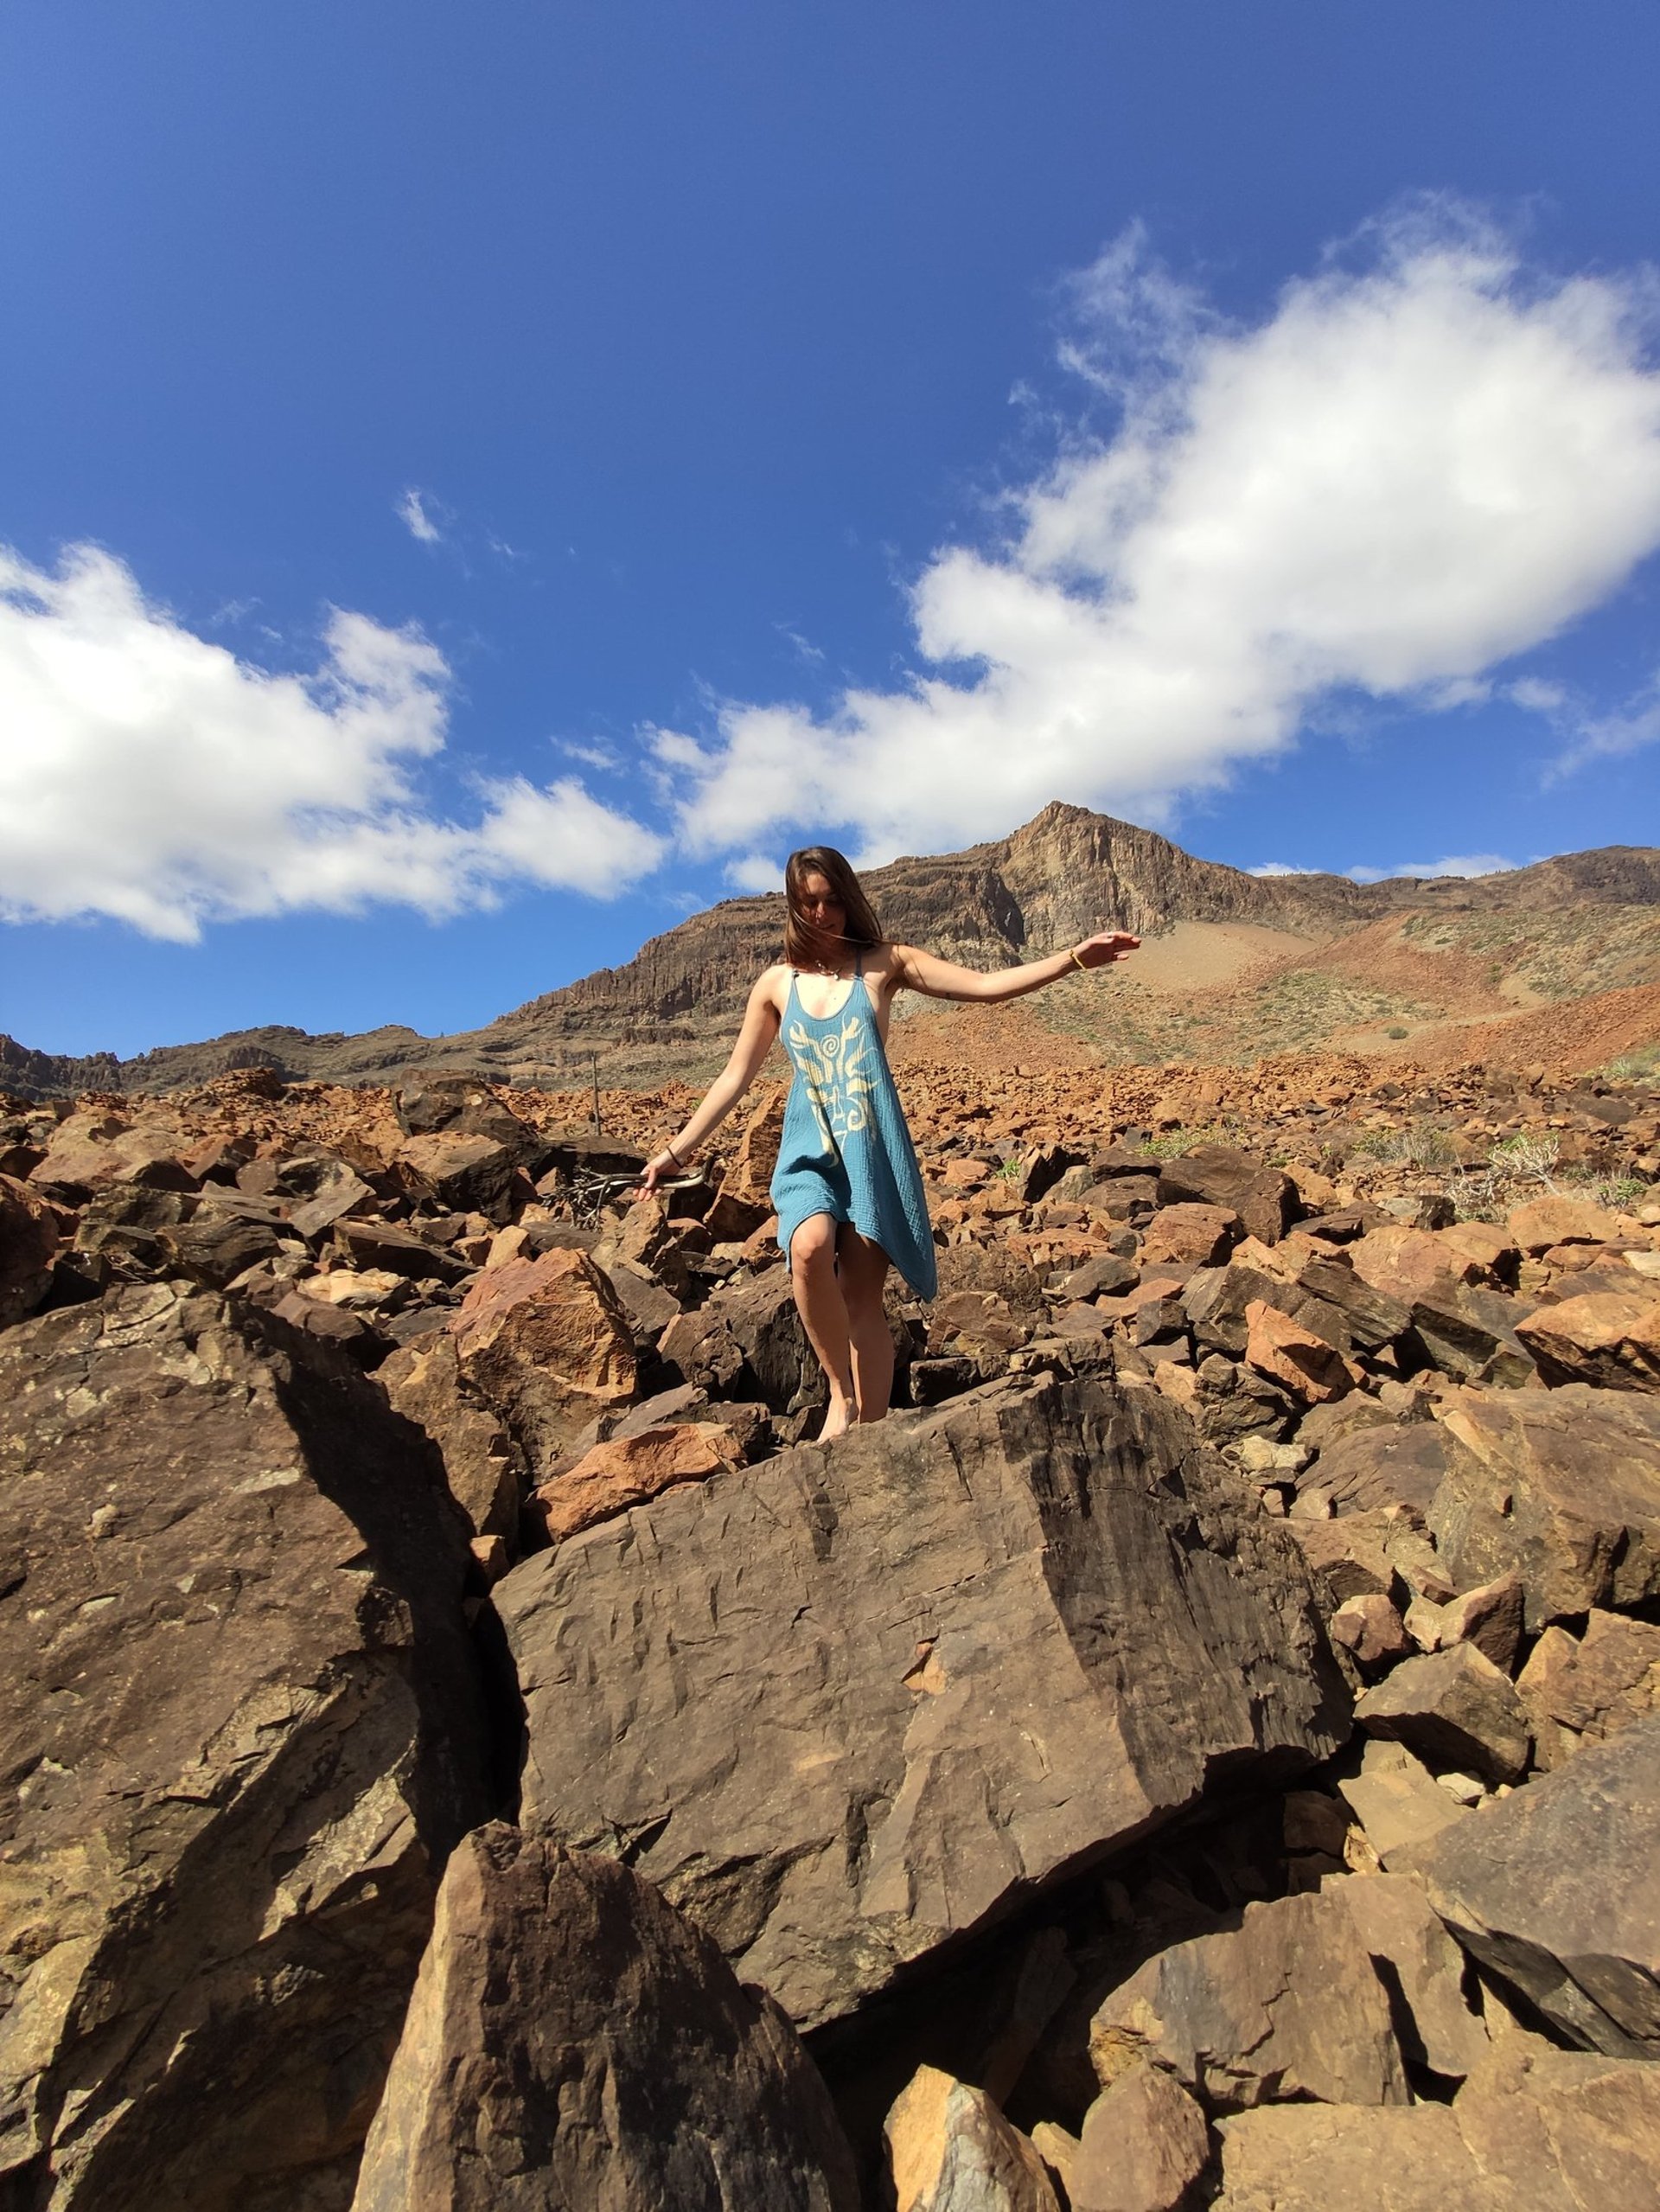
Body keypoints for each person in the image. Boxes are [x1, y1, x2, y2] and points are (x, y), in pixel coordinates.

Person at [641, 846, 1139, 1438]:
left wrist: (1073, 959)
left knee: (862, 1299)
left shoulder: (885, 962)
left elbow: (985, 986)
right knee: (807, 1249)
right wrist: (675, 1152)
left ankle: (869, 1436)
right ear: (793, 905)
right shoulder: (776, 984)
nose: (821, 913)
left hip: (871, 1149)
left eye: (832, 900)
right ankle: (839, 1393)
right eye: (809, 902)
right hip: (809, 1147)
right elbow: (734, 1077)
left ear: (848, 898)